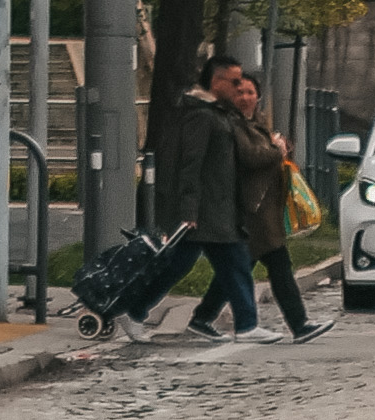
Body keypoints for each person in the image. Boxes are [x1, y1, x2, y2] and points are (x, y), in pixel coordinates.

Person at [115, 62, 312, 341]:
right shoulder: (203, 117)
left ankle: (137, 310)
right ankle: (245, 325)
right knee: (233, 263)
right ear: (217, 83)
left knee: (182, 265)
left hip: (216, 208)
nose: (238, 89)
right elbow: (191, 165)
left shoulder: (217, 115)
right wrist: (188, 210)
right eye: (233, 83)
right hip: (207, 210)